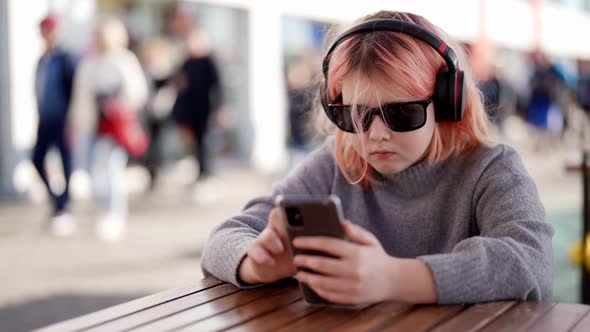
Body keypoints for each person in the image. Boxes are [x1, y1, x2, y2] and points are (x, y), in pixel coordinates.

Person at [201, 11, 554, 305]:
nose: (376, 135)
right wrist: (255, 264)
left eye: (401, 114)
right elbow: (226, 236)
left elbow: (530, 261)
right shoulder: (336, 161)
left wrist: (393, 279)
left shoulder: (490, 169)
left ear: (448, 104)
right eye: (355, 115)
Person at [69, 17, 148, 240]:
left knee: (110, 170)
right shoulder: (89, 62)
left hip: (115, 127)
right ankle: (104, 211)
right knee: (95, 172)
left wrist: (116, 102)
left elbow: (137, 92)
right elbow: (80, 98)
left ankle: (114, 213)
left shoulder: (124, 60)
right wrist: (75, 123)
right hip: (93, 126)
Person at [33, 15, 77, 236]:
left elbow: (73, 91)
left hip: (62, 120)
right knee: (37, 159)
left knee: (65, 161)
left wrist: (72, 119)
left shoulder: (67, 58)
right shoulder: (42, 60)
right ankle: (56, 199)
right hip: (45, 120)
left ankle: (64, 206)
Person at [170, 29, 222, 181]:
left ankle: (206, 174)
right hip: (189, 110)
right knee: (193, 144)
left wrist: (219, 108)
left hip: (204, 109)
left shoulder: (209, 62)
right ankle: (199, 172)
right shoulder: (186, 63)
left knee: (204, 143)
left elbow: (217, 87)